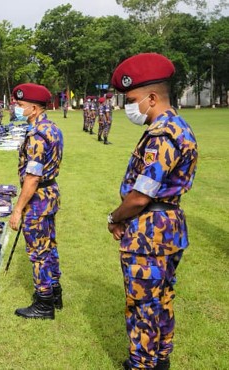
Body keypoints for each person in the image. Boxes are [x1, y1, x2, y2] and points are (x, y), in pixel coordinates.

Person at [107, 53, 198, 370]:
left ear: (152, 97)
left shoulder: (162, 134)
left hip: (149, 233)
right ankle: (159, 359)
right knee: (161, 298)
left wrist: (115, 218)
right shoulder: (180, 127)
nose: (128, 107)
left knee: (143, 305)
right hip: (167, 227)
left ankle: (143, 364)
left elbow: (140, 196)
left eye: (131, 99)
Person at [8, 83, 64, 320]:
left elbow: (32, 177)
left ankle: (43, 303)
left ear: (33, 108)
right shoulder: (52, 128)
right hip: (49, 195)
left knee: (38, 252)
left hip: (38, 198)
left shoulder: (37, 136)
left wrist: (18, 209)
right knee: (49, 246)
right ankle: (54, 292)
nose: (16, 109)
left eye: (20, 105)